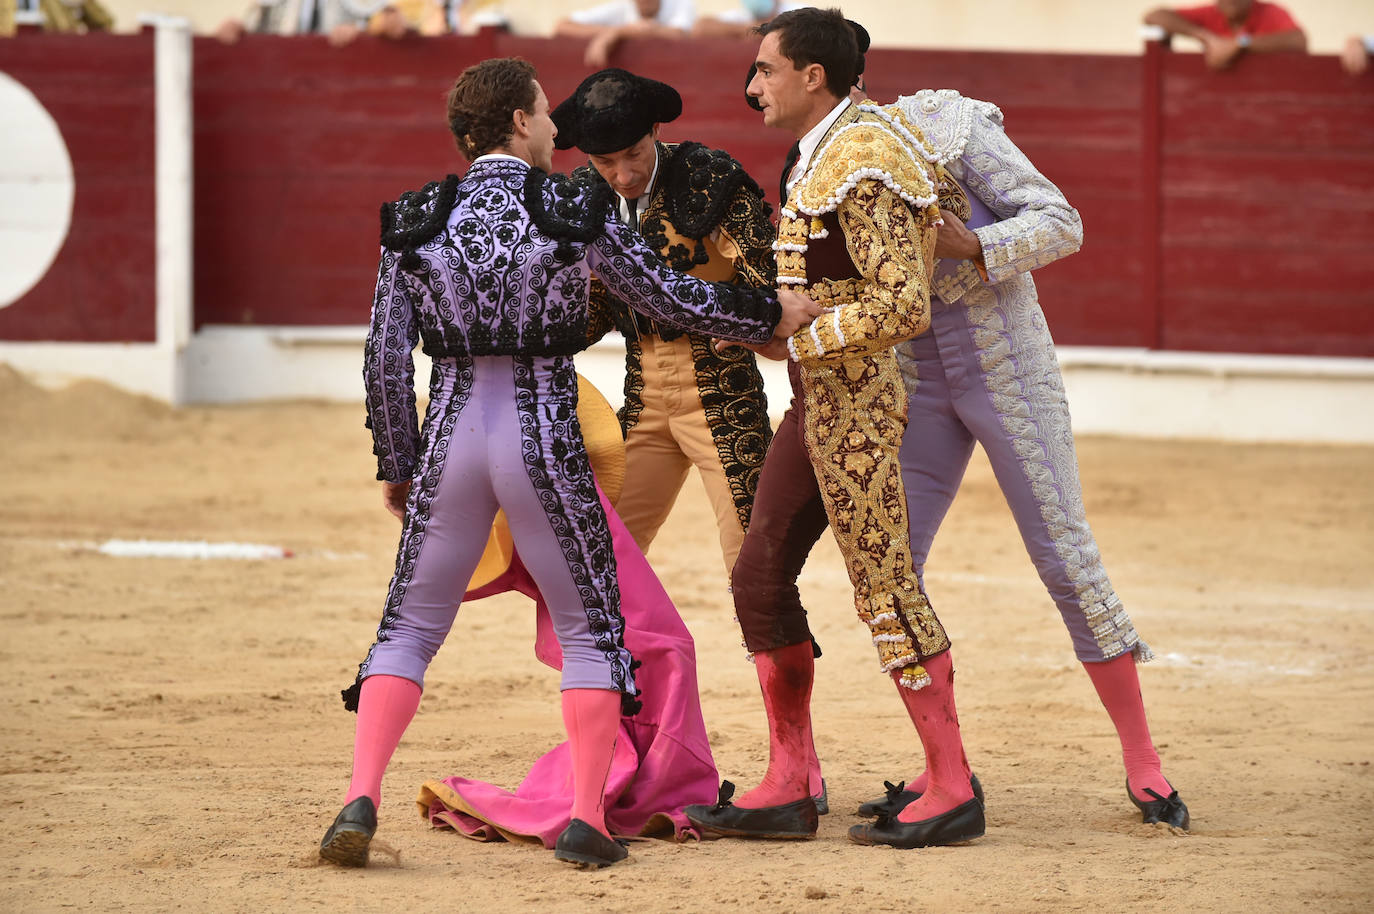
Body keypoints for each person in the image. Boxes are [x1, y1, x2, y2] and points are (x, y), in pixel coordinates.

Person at [319, 55, 818, 870]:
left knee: (407, 629)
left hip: (449, 435)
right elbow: (668, 296)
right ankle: (585, 817)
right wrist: (767, 309)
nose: (558, 129)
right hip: (542, 433)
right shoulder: (572, 208)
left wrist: (398, 459)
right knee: (593, 631)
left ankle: (359, 797)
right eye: (548, 113)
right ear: (519, 121)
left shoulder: (414, 218)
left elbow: (383, 357)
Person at [843, 85, 1190, 831]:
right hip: (912, 376)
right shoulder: (823, 166)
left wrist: (974, 245)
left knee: (1065, 555)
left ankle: (1143, 762)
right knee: (892, 567)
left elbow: (1061, 221)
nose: (755, 92)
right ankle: (945, 769)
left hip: (1006, 365)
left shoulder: (943, 126)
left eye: (768, 75)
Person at [685, 7, 985, 849]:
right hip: (821, 398)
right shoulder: (833, 149)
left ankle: (953, 785)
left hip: (858, 406)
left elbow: (903, 302)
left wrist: (795, 333)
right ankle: (789, 782)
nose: (753, 87)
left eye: (766, 70)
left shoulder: (866, 156)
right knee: (759, 575)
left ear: (812, 75)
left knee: (884, 587)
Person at [551, 68, 776, 585]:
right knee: (596, 552)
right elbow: (591, 312)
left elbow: (770, 280)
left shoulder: (708, 178)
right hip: (644, 391)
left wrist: (751, 322)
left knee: (756, 563)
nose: (623, 175)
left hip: (722, 388)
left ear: (655, 131)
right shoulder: (582, 197)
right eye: (605, 162)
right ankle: (612, 668)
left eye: (633, 154)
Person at [1143, 1, 1306, 70]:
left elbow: (1298, 41)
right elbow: (1154, 16)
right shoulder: (1212, 13)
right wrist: (1206, 37)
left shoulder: (1269, 12)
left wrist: (1239, 43)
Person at [554, 0, 695, 68]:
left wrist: (617, 33)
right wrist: (612, 32)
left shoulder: (680, 3)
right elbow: (563, 26)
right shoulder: (622, 7)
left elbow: (678, 34)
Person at [693, 0, 809, 39]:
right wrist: (753, 29)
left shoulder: (798, 10)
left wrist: (749, 32)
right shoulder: (740, 16)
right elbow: (699, 28)